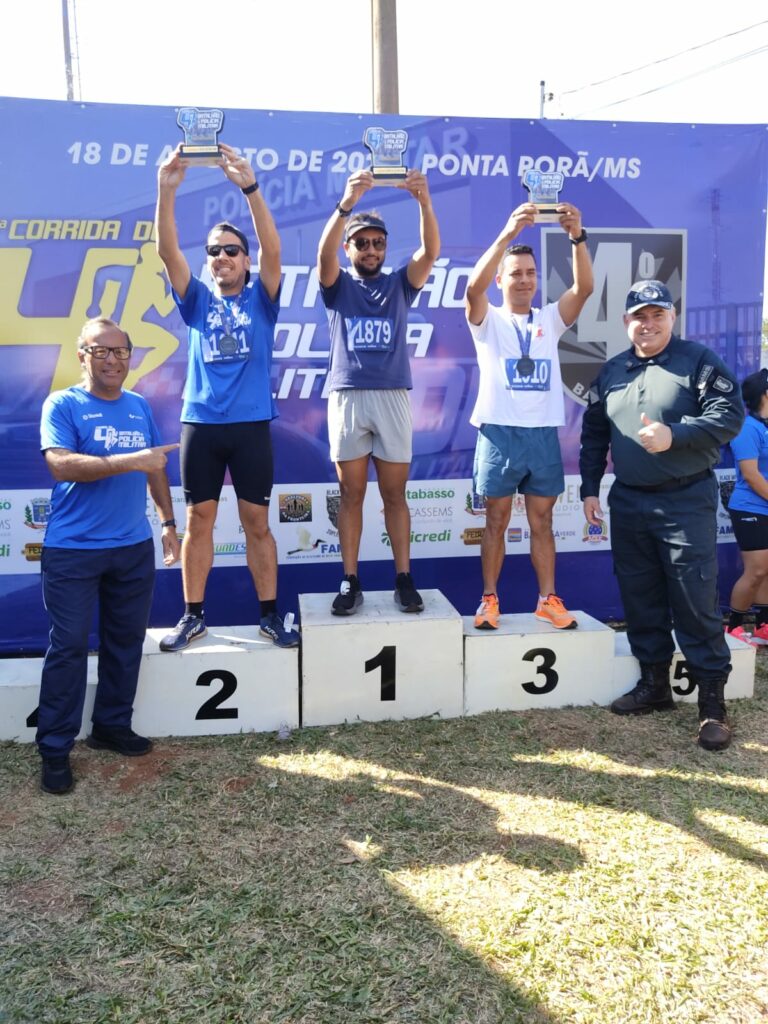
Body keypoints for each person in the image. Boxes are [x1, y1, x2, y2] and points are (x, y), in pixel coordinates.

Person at [579, 279, 744, 751]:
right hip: (629, 501)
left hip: (685, 498)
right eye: (639, 316)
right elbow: (594, 435)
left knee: (694, 600)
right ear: (626, 322)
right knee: (640, 596)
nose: (647, 324)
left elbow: (729, 416)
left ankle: (712, 704)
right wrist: (590, 487)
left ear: (672, 317)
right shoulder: (612, 371)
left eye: (657, 315)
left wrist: (677, 434)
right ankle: (655, 686)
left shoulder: (698, 361)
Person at [155, 141, 297, 651]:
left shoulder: (263, 297)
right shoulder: (194, 300)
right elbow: (168, 251)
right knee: (199, 520)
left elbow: (275, 251)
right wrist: (165, 190)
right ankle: (193, 616)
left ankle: (269, 615)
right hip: (202, 426)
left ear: (245, 259)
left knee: (257, 522)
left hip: (251, 425)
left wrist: (250, 188)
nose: (220, 257)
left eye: (230, 250)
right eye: (213, 251)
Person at [37, 318, 181, 795]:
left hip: (131, 548)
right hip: (73, 552)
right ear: (83, 355)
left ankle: (110, 727)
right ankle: (55, 748)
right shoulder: (63, 403)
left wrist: (167, 525)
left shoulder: (139, 406)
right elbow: (60, 464)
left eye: (122, 352)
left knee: (124, 643)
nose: (115, 360)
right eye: (103, 351)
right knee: (70, 646)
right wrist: (130, 461)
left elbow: (156, 467)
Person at [317, 169, 440, 615]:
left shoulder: (399, 284)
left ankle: (403, 578)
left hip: (391, 396)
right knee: (350, 494)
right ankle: (350, 580)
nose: (370, 249)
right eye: (362, 242)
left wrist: (424, 201)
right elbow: (322, 255)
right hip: (348, 396)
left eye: (378, 243)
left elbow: (431, 252)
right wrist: (347, 203)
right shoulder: (338, 287)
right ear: (350, 248)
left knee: (394, 494)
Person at [465, 202, 593, 631]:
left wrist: (577, 237)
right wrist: (505, 234)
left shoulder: (550, 319)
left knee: (543, 520)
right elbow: (471, 290)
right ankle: (488, 601)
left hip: (541, 435)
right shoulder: (488, 319)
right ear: (501, 279)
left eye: (530, 273)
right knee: (496, 521)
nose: (524, 280)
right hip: (500, 433)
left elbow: (585, 288)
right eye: (515, 273)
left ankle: (547, 600)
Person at [724, 368, 768, 645]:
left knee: (766, 569)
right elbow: (751, 475)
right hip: (750, 508)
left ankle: (763, 626)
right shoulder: (746, 427)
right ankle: (733, 629)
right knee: (757, 571)